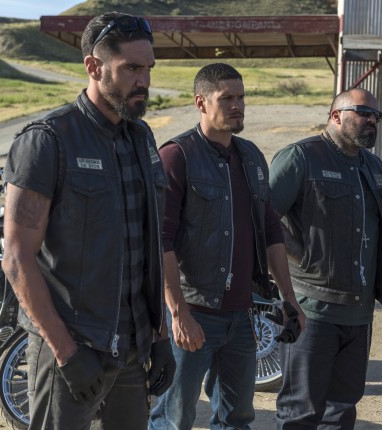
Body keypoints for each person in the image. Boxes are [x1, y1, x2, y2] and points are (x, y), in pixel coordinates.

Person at [1, 12, 176, 430]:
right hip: (73, 348)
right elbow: (16, 258)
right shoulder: (48, 140)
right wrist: (66, 353)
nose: (144, 81)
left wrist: (160, 336)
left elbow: (147, 247)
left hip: (134, 348)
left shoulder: (142, 138)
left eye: (148, 68)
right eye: (131, 68)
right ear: (94, 67)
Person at [148, 63, 305, 430]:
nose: (238, 106)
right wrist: (178, 313)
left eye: (241, 97)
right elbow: (160, 239)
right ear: (201, 102)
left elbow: (271, 229)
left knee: (237, 418)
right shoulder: (176, 156)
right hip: (194, 311)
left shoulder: (251, 156)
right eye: (227, 98)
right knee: (173, 417)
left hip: (242, 313)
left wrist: (289, 298)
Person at [269, 88, 382, 429]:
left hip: (359, 314)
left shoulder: (373, 166)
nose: (372, 120)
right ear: (336, 115)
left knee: (342, 412)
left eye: (377, 115)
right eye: (364, 112)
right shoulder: (301, 157)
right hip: (312, 311)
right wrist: (304, 256)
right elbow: (263, 222)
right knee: (300, 413)